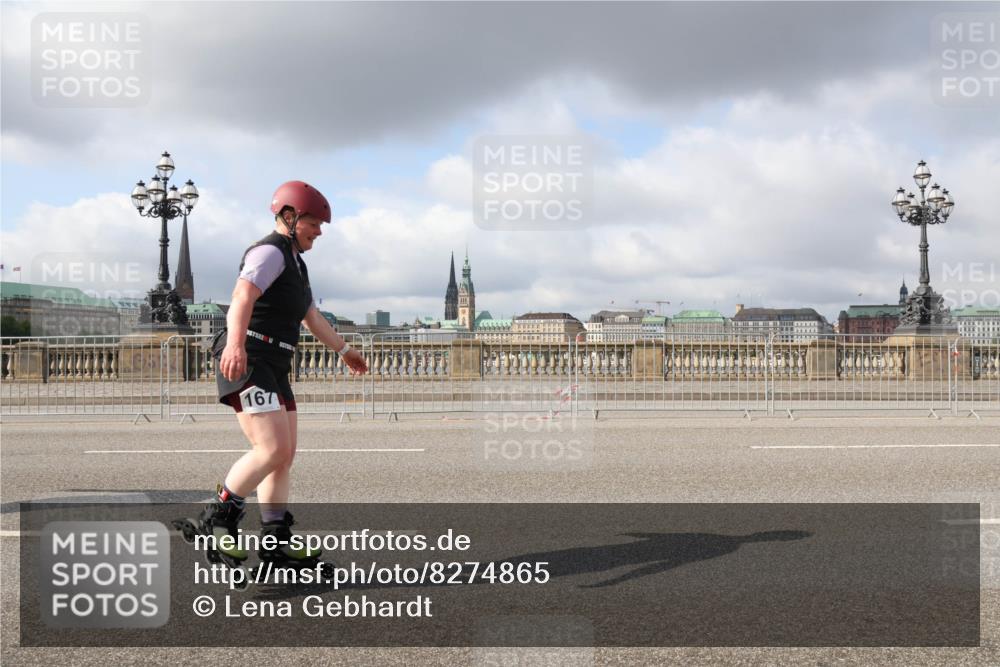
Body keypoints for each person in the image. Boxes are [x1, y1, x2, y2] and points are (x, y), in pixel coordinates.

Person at [200, 180, 368, 567]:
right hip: (252, 357)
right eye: (315, 223)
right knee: (271, 449)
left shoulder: (296, 263)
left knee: (284, 455)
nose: (319, 231)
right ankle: (219, 518)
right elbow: (242, 296)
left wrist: (344, 350)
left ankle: (276, 541)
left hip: (275, 363)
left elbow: (311, 316)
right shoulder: (269, 253)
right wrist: (236, 345)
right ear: (290, 217)